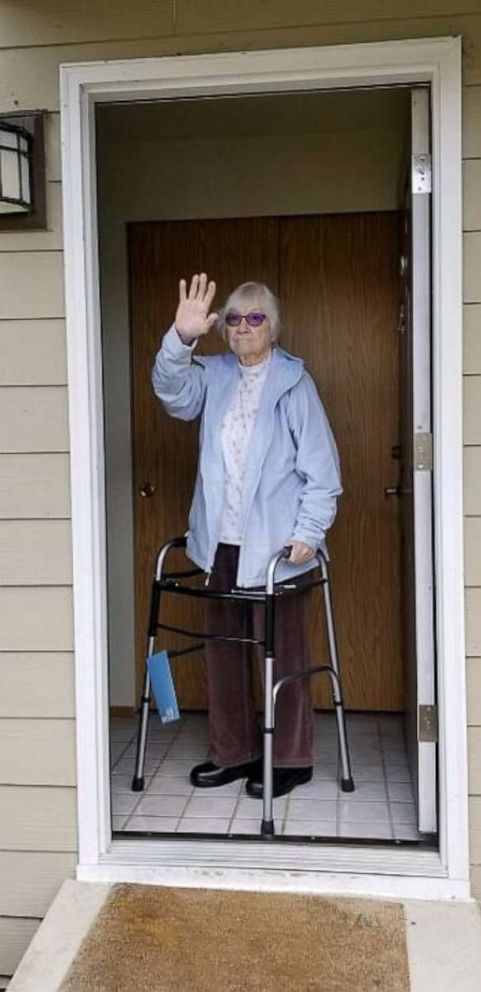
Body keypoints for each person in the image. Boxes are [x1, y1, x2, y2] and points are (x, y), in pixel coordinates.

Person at [152, 272, 342, 798]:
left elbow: (322, 471)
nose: (243, 327)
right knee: (223, 650)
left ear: (273, 328)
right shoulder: (211, 375)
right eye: (233, 318)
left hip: (279, 547)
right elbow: (171, 392)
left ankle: (289, 758)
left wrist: (308, 532)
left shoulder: (294, 382)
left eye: (255, 318)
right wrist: (181, 338)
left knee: (283, 653)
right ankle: (232, 752)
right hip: (222, 544)